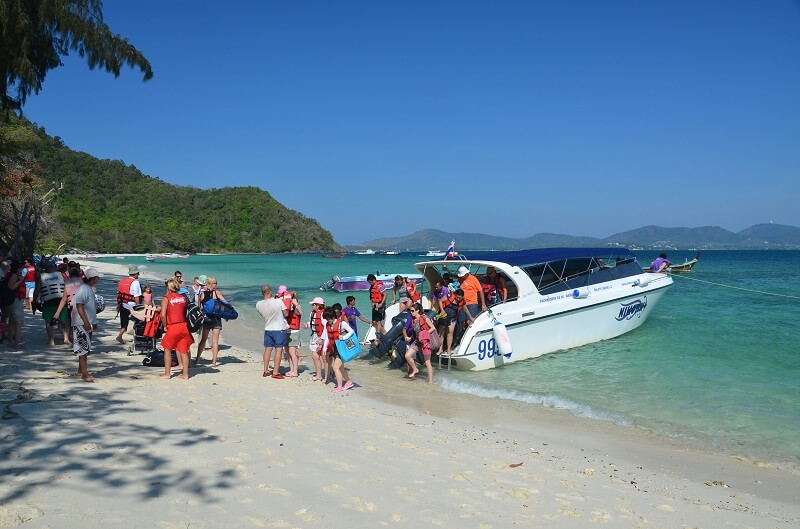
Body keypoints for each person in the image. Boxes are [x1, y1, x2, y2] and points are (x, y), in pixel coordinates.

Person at [71, 267, 102, 382]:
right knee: (83, 348)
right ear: (93, 278)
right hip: (81, 323)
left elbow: (89, 308)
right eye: (97, 277)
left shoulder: (88, 288)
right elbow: (79, 306)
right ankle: (85, 374)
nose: (98, 279)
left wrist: (94, 322)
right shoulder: (84, 289)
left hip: (86, 322)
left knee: (85, 348)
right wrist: (86, 322)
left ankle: (81, 370)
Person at [159, 278, 193, 380]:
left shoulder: (166, 298)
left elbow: (163, 315)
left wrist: (164, 326)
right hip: (183, 326)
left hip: (173, 326)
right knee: (183, 350)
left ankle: (167, 373)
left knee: (167, 348)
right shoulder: (182, 297)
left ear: (168, 287)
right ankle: (185, 374)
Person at [34, 259, 70, 347]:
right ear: (54, 267)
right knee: (63, 321)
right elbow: (67, 285)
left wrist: (34, 299)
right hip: (60, 301)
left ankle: (52, 340)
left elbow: (38, 289)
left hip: (49, 302)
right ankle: (65, 339)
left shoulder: (41, 276)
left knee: (49, 322)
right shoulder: (61, 274)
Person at [256, 284, 289, 379]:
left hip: (268, 328)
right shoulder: (278, 301)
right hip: (278, 329)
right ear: (270, 292)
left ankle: (265, 370)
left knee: (267, 349)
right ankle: (275, 372)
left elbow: (263, 315)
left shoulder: (258, 304)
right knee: (278, 350)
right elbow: (286, 314)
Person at [195, 276, 227, 367]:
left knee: (203, 340)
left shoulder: (202, 294)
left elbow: (199, 308)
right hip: (216, 319)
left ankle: (197, 360)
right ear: (211, 284)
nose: (217, 284)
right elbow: (225, 303)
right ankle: (214, 362)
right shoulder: (217, 293)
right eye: (215, 283)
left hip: (206, 319)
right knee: (215, 342)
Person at [323, 307, 356, 393]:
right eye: (327, 319)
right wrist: (325, 347)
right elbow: (327, 336)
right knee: (341, 367)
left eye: (329, 318)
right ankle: (349, 382)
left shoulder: (342, 323)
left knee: (335, 367)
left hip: (342, 348)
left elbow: (351, 331)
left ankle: (339, 386)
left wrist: (343, 337)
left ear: (333, 316)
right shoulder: (328, 325)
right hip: (334, 348)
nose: (328, 320)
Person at [402, 302, 437, 383]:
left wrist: (425, 334)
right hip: (417, 341)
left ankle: (430, 381)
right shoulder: (413, 320)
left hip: (425, 342)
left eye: (412, 311)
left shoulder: (424, 318)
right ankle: (415, 369)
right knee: (407, 355)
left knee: (427, 362)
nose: (411, 312)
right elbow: (415, 333)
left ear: (418, 310)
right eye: (410, 311)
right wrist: (410, 338)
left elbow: (433, 328)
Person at [277, 285, 303, 377]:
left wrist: (296, 304)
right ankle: (291, 369)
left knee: (292, 352)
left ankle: (295, 371)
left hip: (294, 332)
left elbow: (301, 313)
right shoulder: (287, 308)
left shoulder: (296, 308)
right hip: (287, 331)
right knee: (288, 352)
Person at [115, 265, 143, 344]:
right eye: (138, 273)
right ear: (135, 274)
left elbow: (119, 294)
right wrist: (139, 307)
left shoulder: (122, 281)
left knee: (124, 322)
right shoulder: (136, 282)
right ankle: (136, 338)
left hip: (122, 304)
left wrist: (118, 305)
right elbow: (137, 296)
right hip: (132, 306)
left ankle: (120, 336)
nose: (138, 275)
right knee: (137, 323)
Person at [304, 297, 327, 382]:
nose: (312, 306)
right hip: (314, 336)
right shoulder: (312, 314)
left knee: (325, 358)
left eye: (313, 304)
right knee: (315, 356)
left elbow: (326, 327)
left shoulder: (323, 314)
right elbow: (311, 323)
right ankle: (319, 375)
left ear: (318, 305)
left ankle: (327, 375)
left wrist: (322, 339)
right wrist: (307, 325)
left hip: (322, 337)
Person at [4, 260, 25, 348]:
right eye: (21, 268)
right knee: (18, 322)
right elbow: (11, 286)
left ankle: (11, 343)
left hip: (13, 301)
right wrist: (20, 280)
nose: (22, 270)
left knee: (12, 322)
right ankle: (17, 343)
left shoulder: (10, 274)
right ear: (17, 268)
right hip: (15, 301)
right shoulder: (14, 275)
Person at [367, 274, 387, 339]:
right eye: (369, 282)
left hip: (380, 305)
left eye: (370, 282)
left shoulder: (379, 286)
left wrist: (381, 304)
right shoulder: (372, 287)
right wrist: (372, 304)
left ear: (374, 280)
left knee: (378, 321)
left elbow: (385, 294)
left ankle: (378, 337)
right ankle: (385, 334)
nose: (370, 283)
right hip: (374, 306)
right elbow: (372, 297)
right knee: (374, 322)